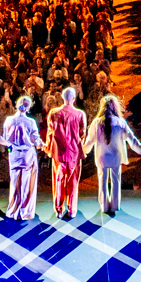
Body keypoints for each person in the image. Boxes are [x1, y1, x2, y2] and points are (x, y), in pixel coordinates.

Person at [84, 93, 141, 217]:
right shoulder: (120, 122)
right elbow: (132, 140)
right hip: (115, 156)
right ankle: (115, 204)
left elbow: (89, 142)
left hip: (101, 156)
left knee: (102, 180)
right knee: (116, 180)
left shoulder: (96, 122)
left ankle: (104, 205)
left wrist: (82, 151)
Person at [46, 87, 87, 220]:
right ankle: (72, 209)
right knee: (73, 181)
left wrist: (48, 148)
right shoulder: (80, 114)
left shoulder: (53, 113)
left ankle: (59, 209)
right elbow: (82, 133)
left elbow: (50, 131)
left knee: (58, 180)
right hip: (74, 151)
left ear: (62, 98)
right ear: (74, 98)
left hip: (59, 152)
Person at [1, 94, 43, 220]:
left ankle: (13, 210)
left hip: (14, 154)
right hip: (27, 155)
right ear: (29, 107)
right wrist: (42, 144)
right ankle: (25, 212)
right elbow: (36, 141)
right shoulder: (31, 122)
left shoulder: (8, 120)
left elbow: (5, 140)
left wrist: (9, 150)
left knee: (14, 183)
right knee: (27, 184)